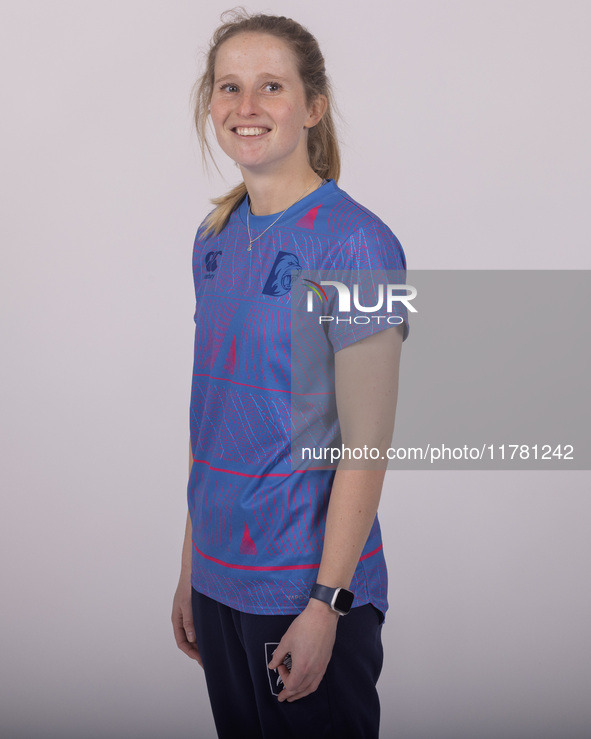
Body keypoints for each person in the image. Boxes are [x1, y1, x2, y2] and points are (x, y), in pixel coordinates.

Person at [171, 9, 409, 738]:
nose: (246, 107)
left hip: (303, 590)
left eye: (270, 86)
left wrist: (326, 602)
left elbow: (367, 447)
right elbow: (208, 418)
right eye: (228, 87)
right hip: (218, 582)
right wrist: (191, 567)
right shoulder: (211, 239)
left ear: (312, 106)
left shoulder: (363, 243)